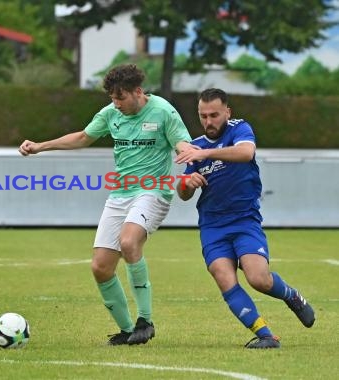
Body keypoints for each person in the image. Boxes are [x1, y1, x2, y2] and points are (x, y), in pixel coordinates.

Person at [19, 64, 194, 345]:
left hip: (153, 192)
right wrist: (40, 146)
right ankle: (127, 330)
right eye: (112, 98)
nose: (116, 103)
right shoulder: (111, 113)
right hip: (120, 195)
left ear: (138, 91)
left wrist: (189, 156)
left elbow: (183, 144)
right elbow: (83, 137)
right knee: (100, 267)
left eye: (120, 97)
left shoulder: (163, 111)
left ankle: (145, 321)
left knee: (128, 242)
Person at [175, 88, 315, 349]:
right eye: (203, 116)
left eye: (214, 115)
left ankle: (292, 296)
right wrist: (187, 183)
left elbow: (246, 153)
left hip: (244, 221)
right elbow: (183, 193)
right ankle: (265, 335)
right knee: (223, 276)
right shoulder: (196, 146)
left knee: (258, 278)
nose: (208, 121)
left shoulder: (239, 129)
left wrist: (204, 154)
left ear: (227, 112)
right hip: (213, 225)